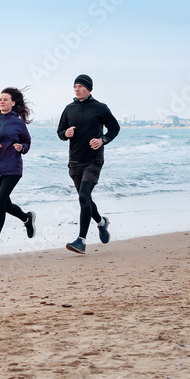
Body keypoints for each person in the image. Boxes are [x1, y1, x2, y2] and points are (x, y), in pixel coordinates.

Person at [57, 74, 120, 254]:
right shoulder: (69, 109)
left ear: (89, 89)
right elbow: (60, 132)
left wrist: (103, 140)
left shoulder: (100, 108)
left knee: (84, 196)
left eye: (80, 86)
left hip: (93, 160)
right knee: (86, 198)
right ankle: (101, 222)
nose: (77, 89)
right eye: (75, 86)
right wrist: (65, 133)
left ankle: (81, 241)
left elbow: (114, 128)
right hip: (74, 160)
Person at [0, 87, 36, 257]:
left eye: (5, 99)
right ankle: (26, 218)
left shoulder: (18, 123)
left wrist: (21, 147)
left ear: (13, 103)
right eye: (0, 99)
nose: (2, 101)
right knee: (5, 204)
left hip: (13, 168)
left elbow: (27, 142)